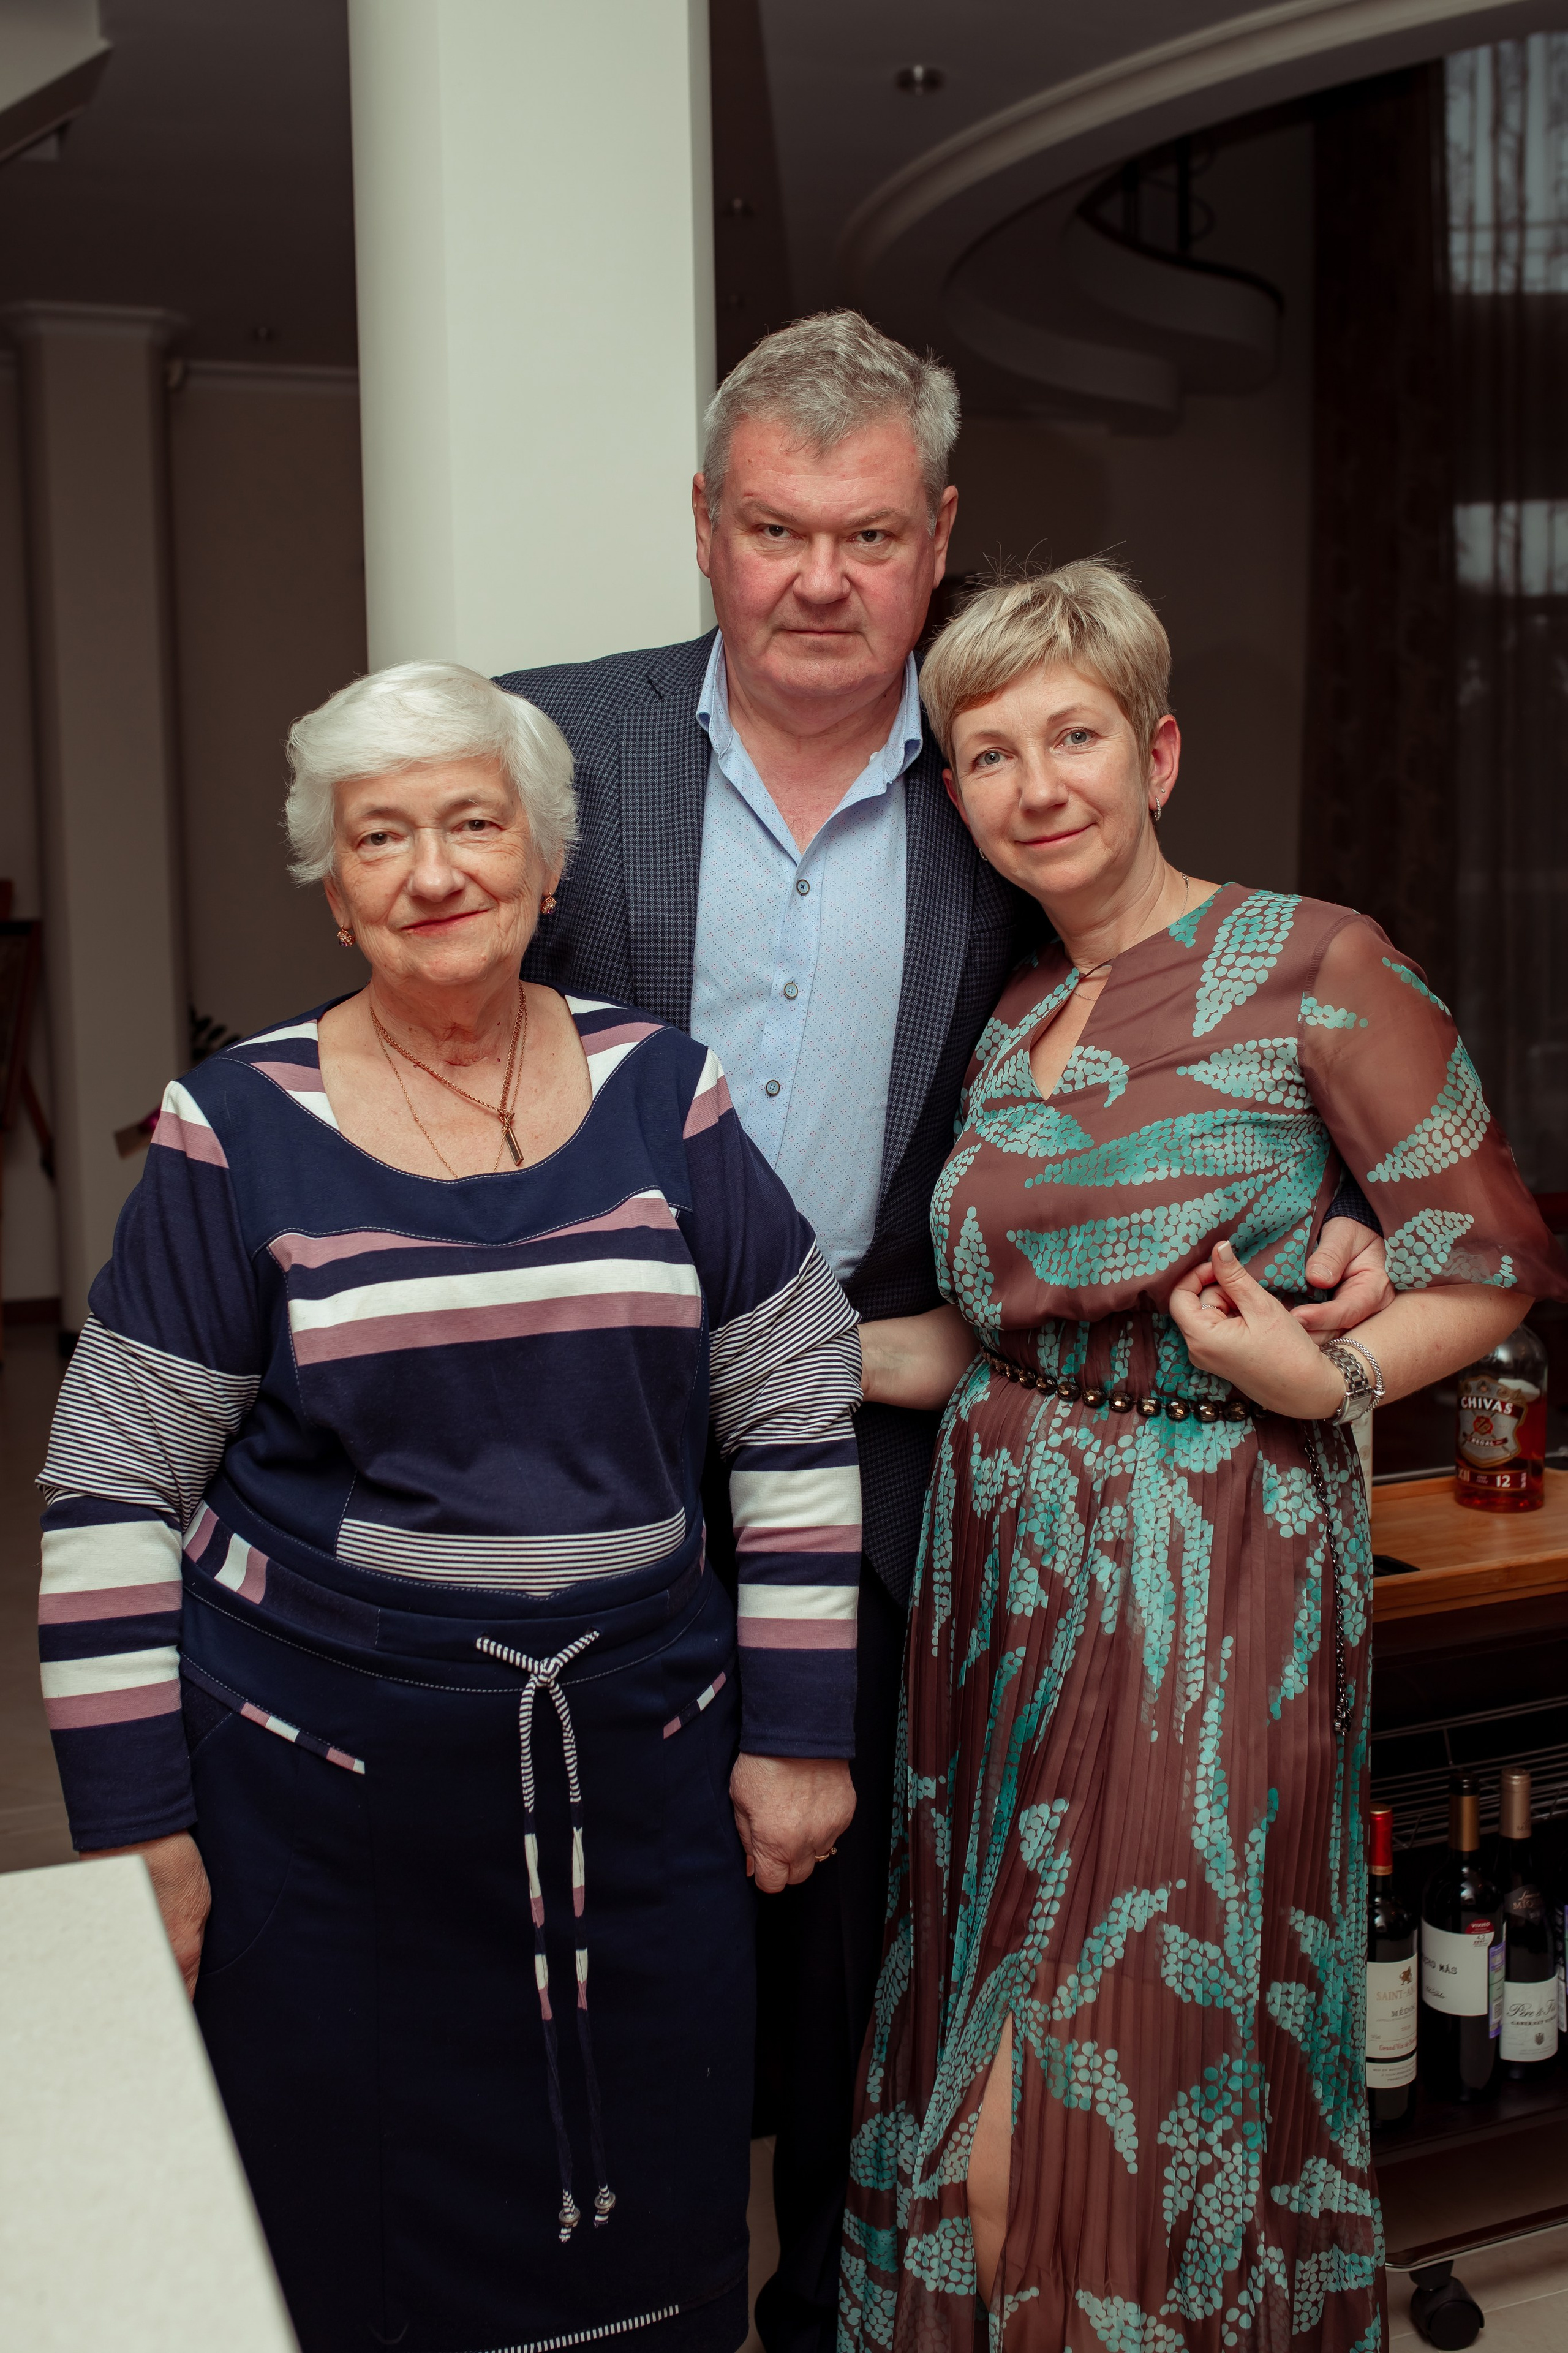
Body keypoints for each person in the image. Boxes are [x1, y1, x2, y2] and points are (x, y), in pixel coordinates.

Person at [498, 311, 1391, 2353]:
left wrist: (1325, 1225)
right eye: (775, 527)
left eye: (872, 532)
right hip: (605, 1480)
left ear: (939, 539)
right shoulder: (549, 755)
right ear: (706, 530)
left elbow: (1186, 1047)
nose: (821, 576)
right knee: (609, 1980)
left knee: (878, 2010)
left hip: (926, 1512)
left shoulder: (1008, 779)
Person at [36, 662, 864, 2353]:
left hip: (640, 1773)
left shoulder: (665, 1093)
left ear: (547, 866)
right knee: (357, 2214)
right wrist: (138, 1818)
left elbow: (794, 1406)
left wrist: (797, 1727)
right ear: (334, 888)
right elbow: (112, 1483)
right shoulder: (234, 1127)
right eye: (381, 836)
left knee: (655, 2189)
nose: (435, 870)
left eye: (474, 824)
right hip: (330, 1795)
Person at [843, 563, 1568, 2353]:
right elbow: (982, 1331)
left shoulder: (1320, 961)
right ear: (955, 792)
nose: (1037, 782)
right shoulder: (1012, 1015)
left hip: (1207, 1579)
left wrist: (1325, 1373)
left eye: (1074, 733)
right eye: (988, 750)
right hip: (996, 1587)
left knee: (1125, 2058)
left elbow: (1490, 1258)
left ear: (1156, 748)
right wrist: (697, 1348)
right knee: (968, 2026)